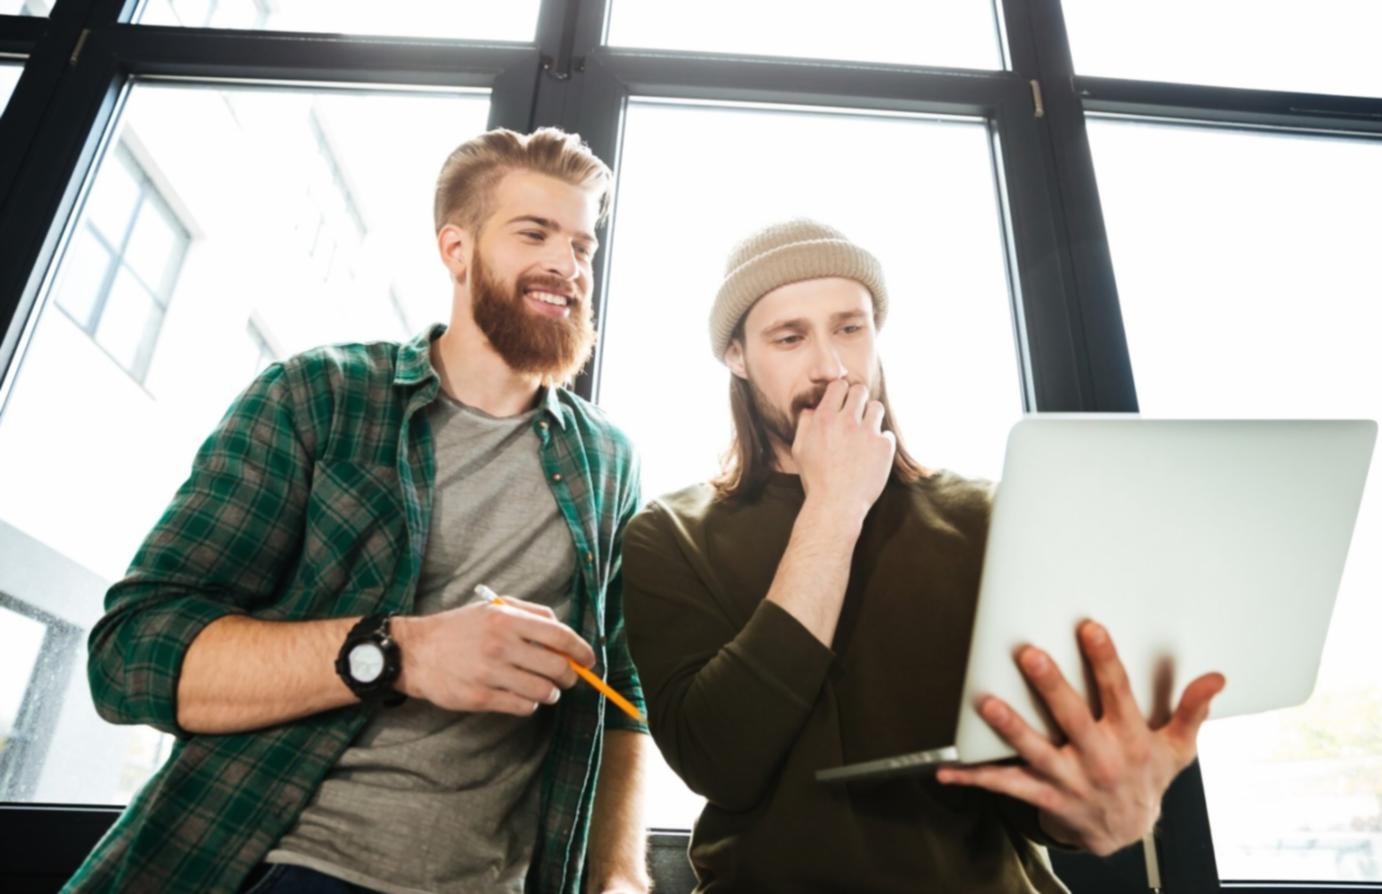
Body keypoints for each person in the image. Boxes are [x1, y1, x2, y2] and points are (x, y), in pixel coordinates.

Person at [65, 127, 652, 894]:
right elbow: (132, 655)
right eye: (533, 233)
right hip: (284, 867)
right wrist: (402, 652)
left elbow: (620, 692)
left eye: (582, 245)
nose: (566, 265)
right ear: (456, 248)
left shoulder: (608, 460)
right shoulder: (317, 396)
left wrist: (619, 876)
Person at [621, 218, 1226, 893]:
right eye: (790, 337)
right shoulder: (668, 534)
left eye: (850, 328)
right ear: (736, 356)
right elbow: (721, 761)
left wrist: (1095, 814)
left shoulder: (988, 517)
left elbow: (1034, 785)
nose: (831, 365)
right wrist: (834, 507)